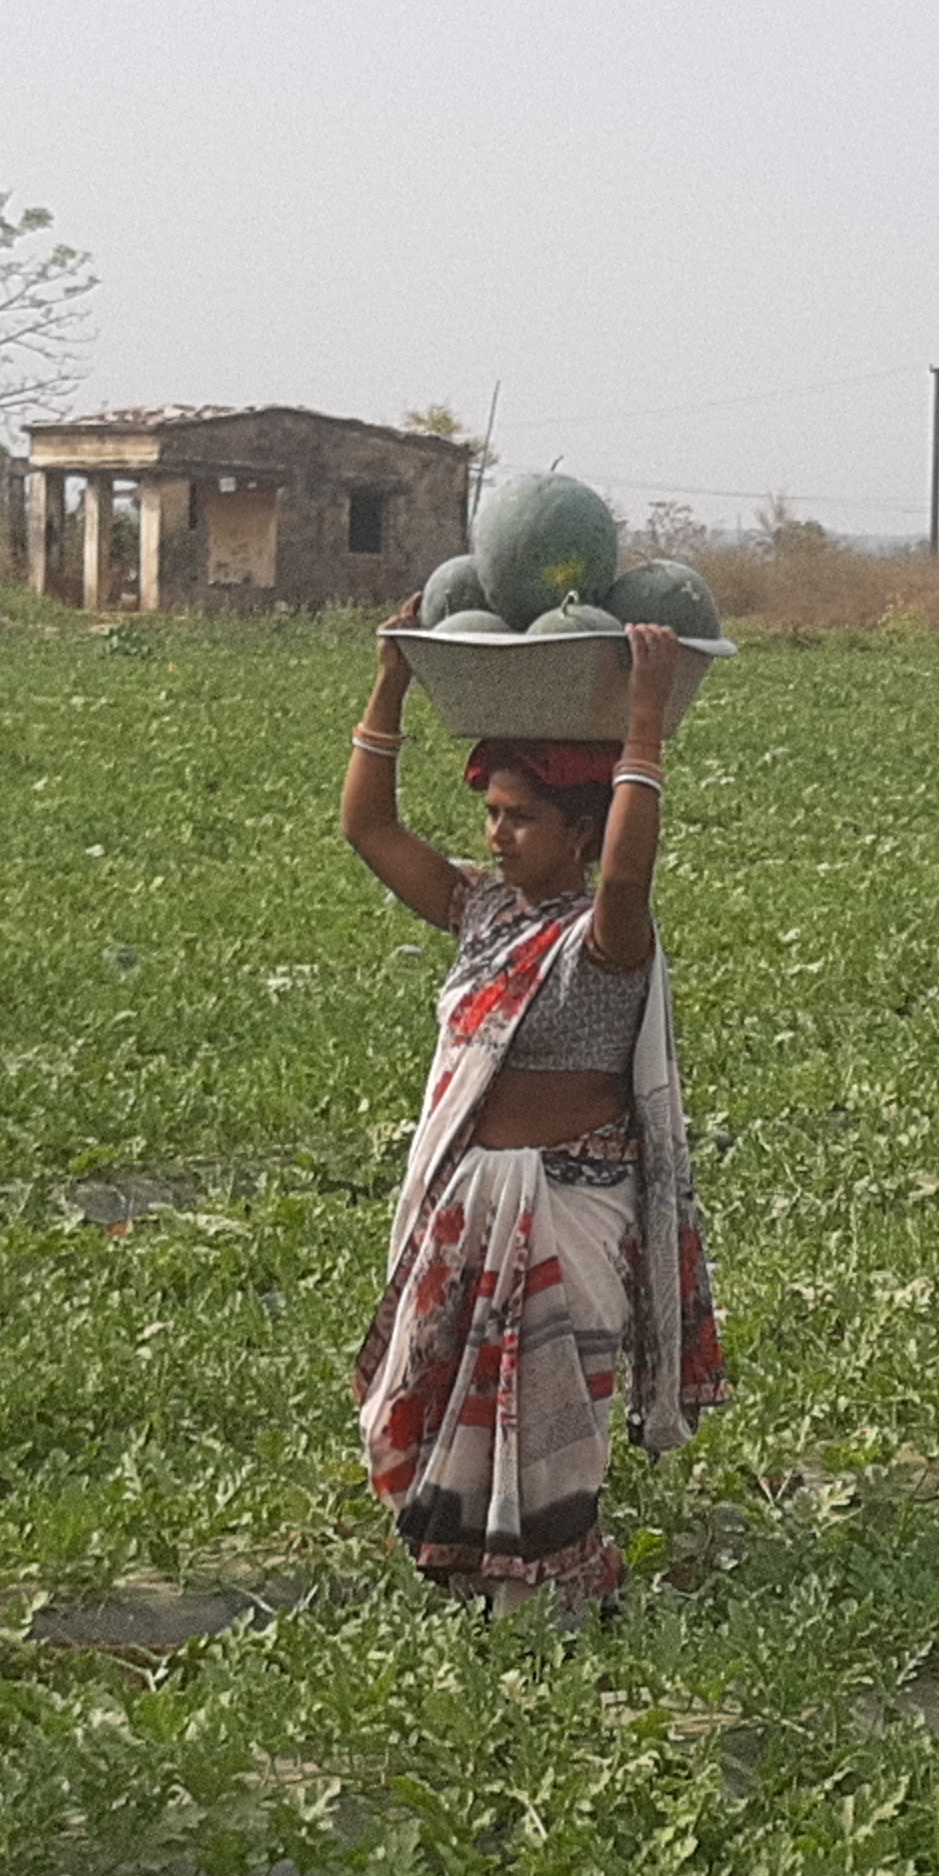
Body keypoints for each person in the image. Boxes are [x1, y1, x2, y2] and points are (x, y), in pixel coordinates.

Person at [341, 611, 728, 1613]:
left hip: (568, 1205)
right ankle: (458, 1561)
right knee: (428, 1394)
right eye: (494, 813)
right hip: (472, 1201)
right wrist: (390, 683)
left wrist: (644, 721)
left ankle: (556, 1581)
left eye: (521, 817)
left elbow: (633, 874)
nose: (498, 834)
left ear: (579, 833)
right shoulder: (483, 913)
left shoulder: (603, 944)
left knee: (553, 1409)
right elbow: (369, 830)